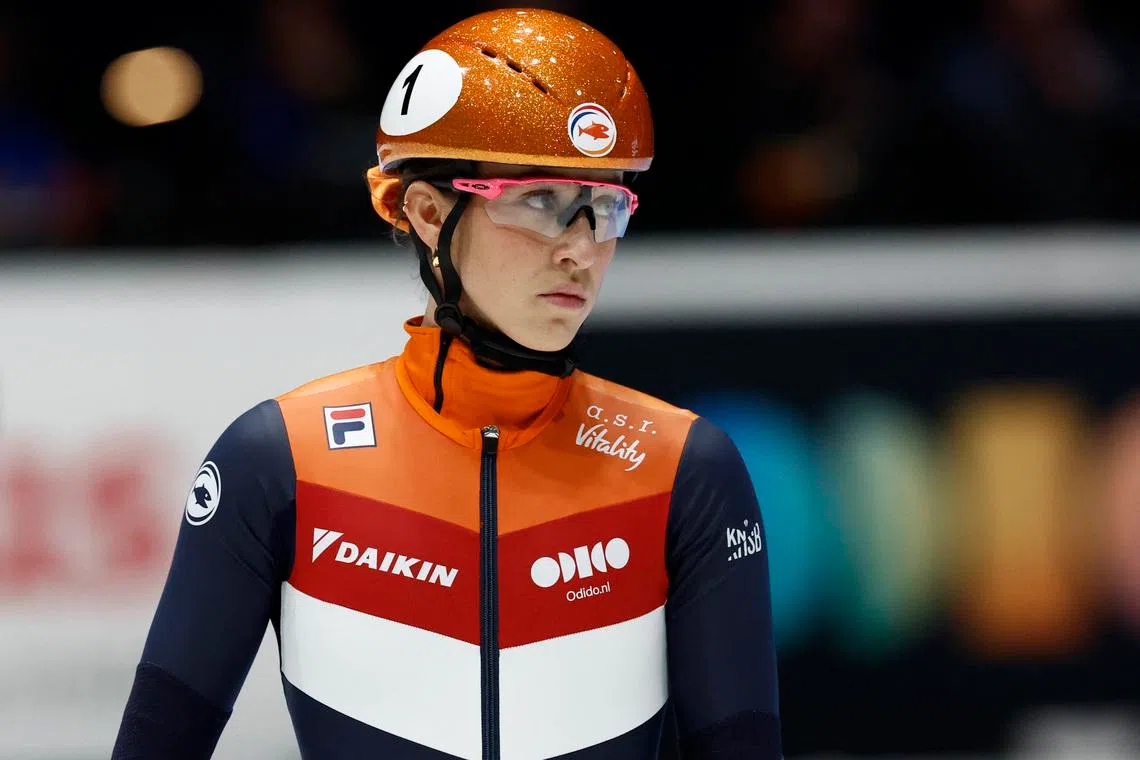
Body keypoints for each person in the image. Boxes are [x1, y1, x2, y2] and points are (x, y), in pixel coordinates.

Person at [110, 8, 782, 759]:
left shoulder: (684, 469)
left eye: (606, 207)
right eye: (543, 203)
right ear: (428, 213)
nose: (582, 250)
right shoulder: (279, 461)